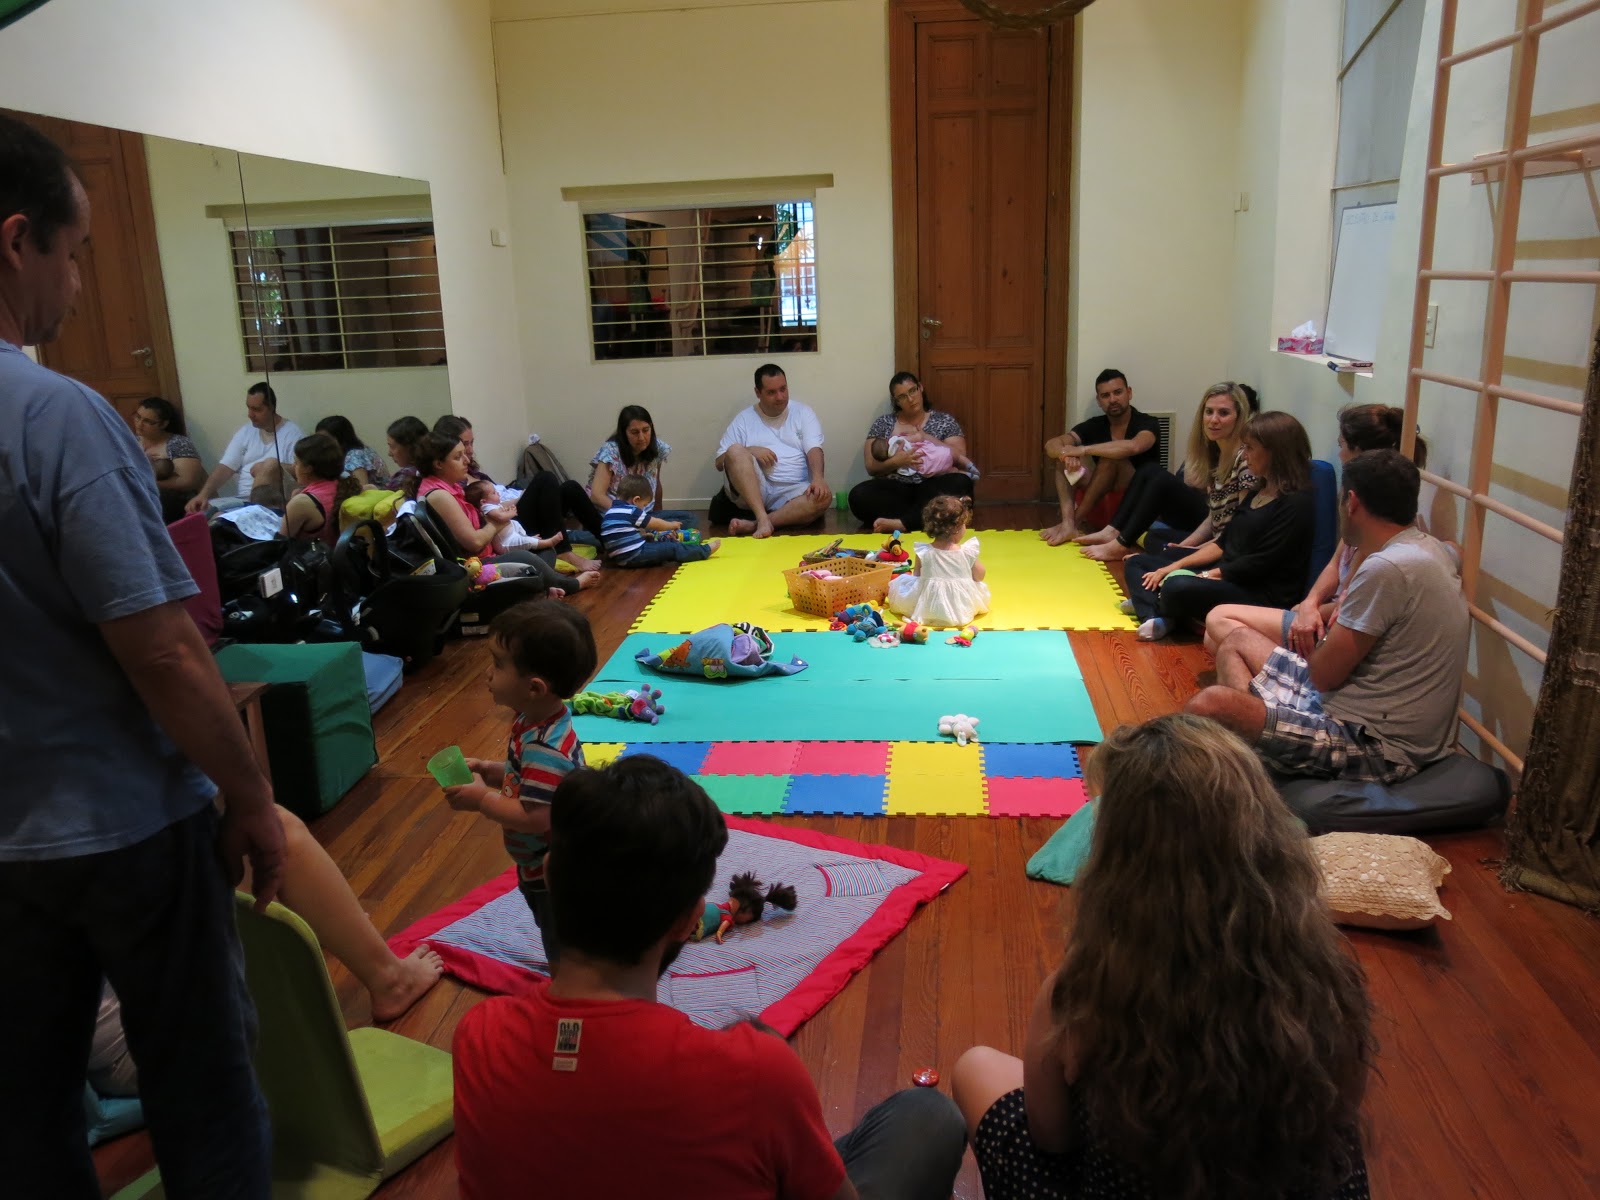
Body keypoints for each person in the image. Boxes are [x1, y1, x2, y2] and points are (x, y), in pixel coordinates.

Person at [0, 112, 282, 1197]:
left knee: (28, 1114)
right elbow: (162, 650)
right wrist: (249, 798)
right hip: (120, 826)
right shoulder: (55, 417)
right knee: (204, 1093)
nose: (76, 287)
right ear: (16, 241)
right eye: (73, 255)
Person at [451, 754, 969, 1199]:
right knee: (929, 1117)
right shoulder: (754, 1072)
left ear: (547, 875)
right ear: (689, 920)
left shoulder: (479, 1036)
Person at [950, 714, 1372, 1200]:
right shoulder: (1330, 980)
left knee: (975, 1067)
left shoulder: (1080, 996)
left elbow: (1052, 1139)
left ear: (1116, 861)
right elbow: (1342, 1113)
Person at [1187, 449, 1468, 784]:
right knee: (1237, 640)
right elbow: (1457, 551)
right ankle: (1258, 752)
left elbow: (1323, 676)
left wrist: (1321, 632)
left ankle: (1257, 755)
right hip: (1353, 706)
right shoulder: (1429, 547)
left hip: (1375, 743)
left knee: (1211, 704)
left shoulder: (1386, 568)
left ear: (1352, 502)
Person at [1204, 405, 1432, 658]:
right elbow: (1334, 565)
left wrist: (1311, 612)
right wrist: (1310, 603)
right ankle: (1278, 670)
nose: (1339, 453)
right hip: (1323, 612)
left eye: (1342, 444)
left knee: (1220, 624)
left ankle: (1293, 674)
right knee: (1216, 638)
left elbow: (1350, 605)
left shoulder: (1377, 524)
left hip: (1336, 626)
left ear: (1360, 453)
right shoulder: (1359, 512)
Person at [441, 600, 597, 966]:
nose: (488, 674)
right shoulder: (533, 721)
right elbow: (524, 778)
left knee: (561, 938)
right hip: (537, 865)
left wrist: (482, 799)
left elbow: (535, 817)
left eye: (498, 664)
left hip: (554, 872)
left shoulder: (545, 749)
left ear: (535, 687)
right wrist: (489, 769)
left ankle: (571, 982)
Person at [1123, 411, 1314, 642]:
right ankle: (1160, 614)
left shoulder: (1296, 503)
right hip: (1227, 571)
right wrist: (1175, 565)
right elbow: (1223, 543)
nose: (1244, 455)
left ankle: (1153, 603)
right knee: (1137, 562)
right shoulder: (1258, 491)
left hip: (1256, 590)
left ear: (1274, 452)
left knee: (1176, 585)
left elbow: (1260, 563)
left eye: (1250, 448)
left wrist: (1203, 575)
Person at [1076, 381, 1256, 562]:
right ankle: (1113, 531)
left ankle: (1121, 544)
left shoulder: (1245, 460)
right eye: (1209, 412)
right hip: (1210, 535)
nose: (1214, 420)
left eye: (1223, 413)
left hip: (1223, 546)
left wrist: (1195, 551)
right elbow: (1213, 517)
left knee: (1160, 481)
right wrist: (1184, 547)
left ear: (1240, 417)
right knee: (1149, 482)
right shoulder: (1214, 453)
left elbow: (1238, 529)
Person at [412, 431, 592, 593]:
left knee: (547, 549)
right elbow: (475, 543)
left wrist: (503, 512)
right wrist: (500, 521)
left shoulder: (451, 487)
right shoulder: (439, 495)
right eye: (458, 457)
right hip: (477, 565)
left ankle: (541, 585)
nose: (467, 460)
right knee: (526, 557)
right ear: (438, 464)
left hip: (492, 547)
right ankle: (569, 585)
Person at [1039, 369, 1162, 545]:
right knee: (1063, 462)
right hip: (1101, 499)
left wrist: (1082, 450)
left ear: (1129, 393)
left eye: (1118, 392)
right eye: (1105, 395)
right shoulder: (1095, 425)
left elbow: (1134, 446)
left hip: (1137, 502)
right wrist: (1065, 455)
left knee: (1111, 459)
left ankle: (1074, 522)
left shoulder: (1148, 422)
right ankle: (1067, 523)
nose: (1112, 399)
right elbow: (1051, 445)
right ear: (1099, 400)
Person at [711, 362, 832, 538]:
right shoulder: (744, 419)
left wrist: (818, 479)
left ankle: (758, 523)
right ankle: (761, 516)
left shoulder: (803, 412)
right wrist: (750, 450)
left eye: (783, 389)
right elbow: (720, 462)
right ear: (758, 393)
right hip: (756, 490)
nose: (780, 397)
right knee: (735, 450)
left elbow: (814, 448)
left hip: (795, 490)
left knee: (824, 497)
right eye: (771, 392)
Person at [848, 371, 978, 534]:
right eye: (902, 397)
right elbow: (871, 466)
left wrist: (926, 437)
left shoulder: (944, 421)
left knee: (961, 482)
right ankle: (927, 518)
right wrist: (897, 462)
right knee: (858, 496)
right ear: (896, 401)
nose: (910, 399)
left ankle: (904, 523)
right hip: (898, 490)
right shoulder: (883, 423)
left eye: (912, 391)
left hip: (935, 486)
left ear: (920, 388)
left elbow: (959, 456)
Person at [184, 381, 304, 512]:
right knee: (204, 513)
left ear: (271, 408)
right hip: (241, 500)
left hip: (272, 504)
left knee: (270, 464)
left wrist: (268, 467)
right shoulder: (246, 431)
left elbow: (297, 472)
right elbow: (226, 467)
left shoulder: (292, 433)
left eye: (256, 409)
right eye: (249, 408)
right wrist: (203, 495)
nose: (250, 415)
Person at [886, 494, 990, 628]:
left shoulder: (924, 551)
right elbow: (980, 576)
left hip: (928, 607)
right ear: (956, 528)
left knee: (906, 585)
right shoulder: (965, 552)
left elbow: (917, 576)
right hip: (960, 609)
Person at [586, 403, 696, 528]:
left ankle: (644, 532)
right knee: (613, 531)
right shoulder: (610, 451)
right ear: (624, 433)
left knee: (690, 519)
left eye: (646, 430)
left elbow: (656, 483)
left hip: (644, 515)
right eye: (634, 432)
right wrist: (629, 514)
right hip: (613, 515)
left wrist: (659, 523)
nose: (642, 437)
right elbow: (597, 495)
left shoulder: (658, 448)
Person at [601, 474, 721, 566]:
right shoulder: (632, 511)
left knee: (657, 540)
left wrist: (644, 536)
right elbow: (655, 524)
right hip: (635, 555)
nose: (643, 509)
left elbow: (622, 537)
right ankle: (704, 550)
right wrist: (671, 525)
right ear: (636, 500)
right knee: (672, 548)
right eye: (644, 505)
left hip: (619, 559)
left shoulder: (610, 512)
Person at [132, 395, 205, 522]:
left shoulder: (177, 443)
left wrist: (148, 483)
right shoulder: (131, 442)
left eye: (148, 421)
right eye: (138, 417)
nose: (139, 424)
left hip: (176, 504)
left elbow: (188, 481)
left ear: (163, 424)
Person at [281, 432, 361, 547]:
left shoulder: (302, 503)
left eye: (296, 462)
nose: (294, 466)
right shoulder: (350, 487)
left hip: (314, 557)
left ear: (308, 468)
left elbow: (279, 546)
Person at [315, 414, 388, 488]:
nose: (321, 443)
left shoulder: (355, 455)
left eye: (326, 439)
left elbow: (363, 487)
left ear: (340, 438)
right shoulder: (345, 452)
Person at [386, 414, 430, 493]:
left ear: (409, 447)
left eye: (392, 446)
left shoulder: (405, 477)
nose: (389, 453)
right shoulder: (438, 469)